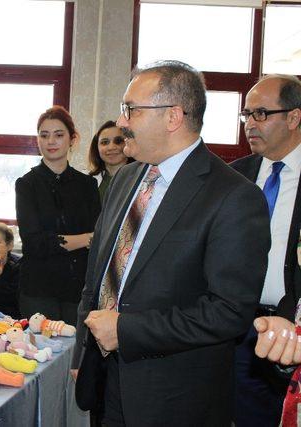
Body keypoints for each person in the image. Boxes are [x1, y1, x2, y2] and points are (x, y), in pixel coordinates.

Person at [72, 60, 271, 426]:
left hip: (172, 396)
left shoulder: (233, 197)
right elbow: (98, 276)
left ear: (173, 116)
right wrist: (81, 356)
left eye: (131, 109)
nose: (122, 122)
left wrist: (126, 330)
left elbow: (229, 311)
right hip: (104, 379)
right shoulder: (126, 178)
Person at [231, 74, 301, 427]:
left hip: (294, 331)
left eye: (260, 113)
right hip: (237, 326)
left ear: (293, 117)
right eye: (246, 114)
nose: (249, 124)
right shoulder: (233, 177)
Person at [16, 106, 101, 326]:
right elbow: (35, 243)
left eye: (59, 135)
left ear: (72, 139)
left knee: (76, 357)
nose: (51, 141)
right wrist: (85, 239)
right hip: (38, 290)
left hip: (78, 289)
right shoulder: (26, 185)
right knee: (41, 355)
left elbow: (99, 236)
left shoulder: (88, 185)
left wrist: (85, 239)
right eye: (44, 135)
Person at [88, 120, 131, 201]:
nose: (111, 147)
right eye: (104, 142)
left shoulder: (143, 179)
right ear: (96, 148)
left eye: (118, 141)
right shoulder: (87, 181)